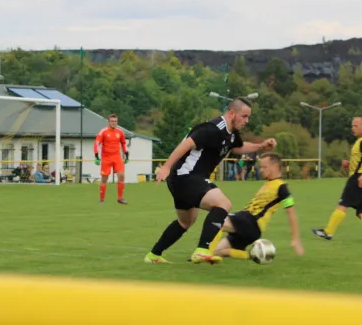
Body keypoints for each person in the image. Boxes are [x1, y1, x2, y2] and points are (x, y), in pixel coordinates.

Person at [144, 97, 276, 264]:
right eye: (244, 116)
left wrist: (261, 146)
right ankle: (202, 250)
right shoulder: (212, 129)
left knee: (185, 222)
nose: (246, 121)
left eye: (248, 117)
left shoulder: (232, 133)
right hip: (186, 176)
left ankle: (154, 255)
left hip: (184, 178)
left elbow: (238, 148)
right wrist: (166, 167)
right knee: (223, 204)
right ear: (232, 113)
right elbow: (186, 144)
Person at [210, 152, 304, 259]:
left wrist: (295, 238)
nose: (261, 170)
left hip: (251, 222)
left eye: (264, 167)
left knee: (218, 220)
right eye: (261, 167)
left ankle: (204, 254)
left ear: (275, 166)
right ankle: (253, 256)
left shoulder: (282, 187)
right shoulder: (267, 183)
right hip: (250, 228)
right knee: (217, 251)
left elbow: (291, 213)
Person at [312, 117, 362, 244]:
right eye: (352, 126)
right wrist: (350, 164)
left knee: (343, 204)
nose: (352, 128)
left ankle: (328, 232)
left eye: (355, 126)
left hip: (358, 178)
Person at [94, 114, 129, 204]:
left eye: (115, 121)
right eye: (112, 121)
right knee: (104, 179)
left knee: (121, 175)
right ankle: (102, 200)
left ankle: (120, 198)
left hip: (117, 157)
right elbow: (97, 143)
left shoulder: (120, 132)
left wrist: (126, 154)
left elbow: (123, 143)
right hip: (106, 158)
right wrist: (96, 156)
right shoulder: (103, 131)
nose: (114, 123)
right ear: (108, 122)